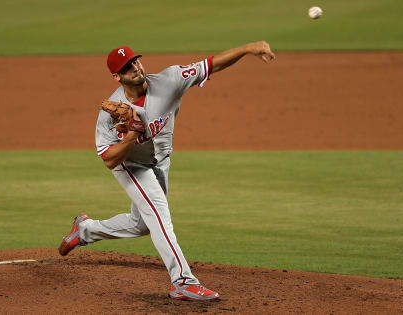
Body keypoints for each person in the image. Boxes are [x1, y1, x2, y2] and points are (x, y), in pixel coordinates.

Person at [58, 41, 275, 301]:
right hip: (131, 166)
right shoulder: (110, 115)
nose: (135, 68)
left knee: (142, 225)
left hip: (160, 161)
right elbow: (109, 160)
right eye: (127, 67)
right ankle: (182, 280)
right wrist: (129, 137)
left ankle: (85, 230)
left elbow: (211, 64)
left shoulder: (169, 80)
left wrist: (248, 49)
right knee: (160, 214)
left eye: (135, 61)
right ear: (117, 76)